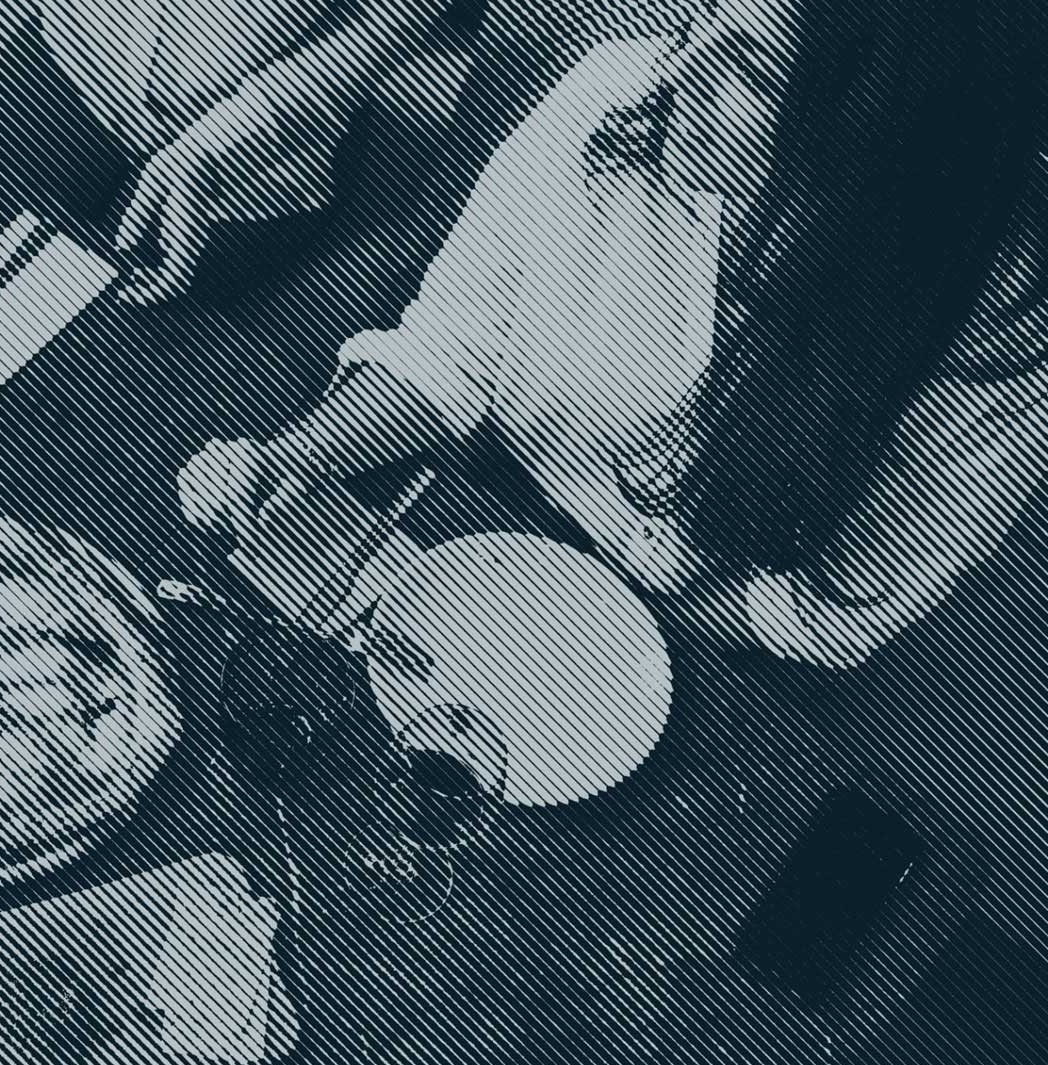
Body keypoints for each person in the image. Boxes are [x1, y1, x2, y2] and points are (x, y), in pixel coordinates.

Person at [176, 0, 1048, 670]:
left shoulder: (994, 347)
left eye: (746, 66)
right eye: (700, 15)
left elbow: (825, 613)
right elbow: (449, 354)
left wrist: (580, 635)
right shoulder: (623, 98)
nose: (677, 70)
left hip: (679, 656)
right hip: (468, 533)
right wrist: (289, 460)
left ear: (872, 148)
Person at [0, 0, 473, 303]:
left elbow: (398, 16)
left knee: (59, 398)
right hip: (59, 79)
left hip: (242, 186)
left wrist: (240, 133)